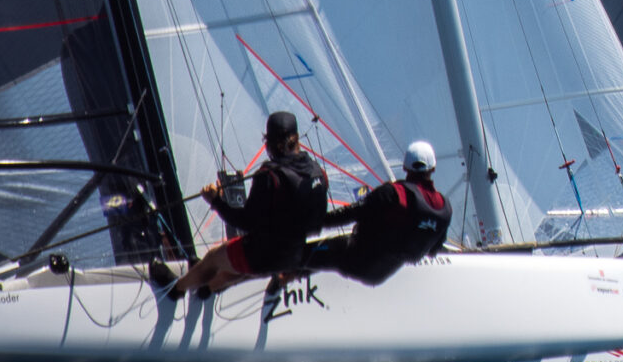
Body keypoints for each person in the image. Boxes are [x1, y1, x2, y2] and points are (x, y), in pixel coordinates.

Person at [167, 110, 329, 300]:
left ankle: (176, 290)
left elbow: (244, 222)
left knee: (213, 258)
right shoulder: (318, 172)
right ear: (297, 139)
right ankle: (207, 289)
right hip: (293, 256)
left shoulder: (269, 175)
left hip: (262, 257)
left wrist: (216, 201)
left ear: (271, 143)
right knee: (239, 269)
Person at [311, 140, 451, 285]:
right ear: (433, 168)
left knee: (306, 253)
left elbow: (351, 214)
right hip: (391, 270)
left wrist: (313, 223)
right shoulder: (445, 207)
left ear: (404, 167)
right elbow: (434, 250)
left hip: (362, 264)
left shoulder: (393, 193)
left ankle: (291, 275)